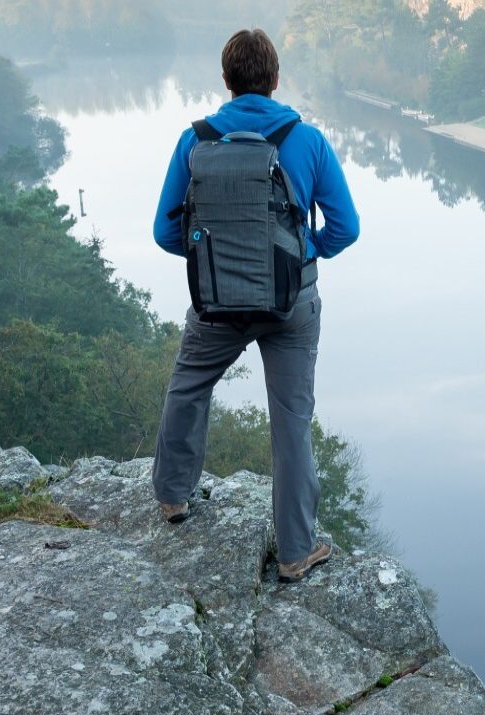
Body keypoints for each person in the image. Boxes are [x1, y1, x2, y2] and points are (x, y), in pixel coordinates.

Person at [149, 28, 360, 582]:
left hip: (217, 301)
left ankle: (173, 497)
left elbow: (165, 231)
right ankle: (295, 550)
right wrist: (298, 253)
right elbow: (346, 228)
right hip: (292, 305)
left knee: (188, 385)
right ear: (275, 80)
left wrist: (212, 258)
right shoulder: (306, 138)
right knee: (291, 420)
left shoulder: (194, 140)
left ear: (226, 81)